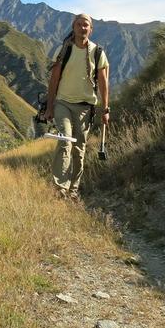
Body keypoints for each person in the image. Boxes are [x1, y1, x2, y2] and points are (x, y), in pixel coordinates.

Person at [42, 13, 110, 200]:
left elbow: (104, 83)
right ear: (73, 27)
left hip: (85, 107)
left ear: (91, 28)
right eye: (79, 24)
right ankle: (60, 188)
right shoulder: (64, 50)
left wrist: (105, 109)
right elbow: (54, 79)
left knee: (79, 150)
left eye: (85, 25)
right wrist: (49, 107)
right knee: (65, 141)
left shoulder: (98, 53)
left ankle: (73, 189)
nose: (82, 28)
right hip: (63, 103)